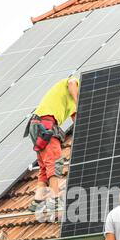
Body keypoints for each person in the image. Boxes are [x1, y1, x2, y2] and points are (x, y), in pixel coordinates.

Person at [25, 76, 79, 217]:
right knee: (54, 161)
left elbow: (77, 118)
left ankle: (38, 200)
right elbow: (72, 83)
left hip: (37, 125)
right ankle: (54, 199)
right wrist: (78, 100)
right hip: (45, 124)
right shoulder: (74, 83)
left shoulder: (71, 103)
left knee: (44, 165)